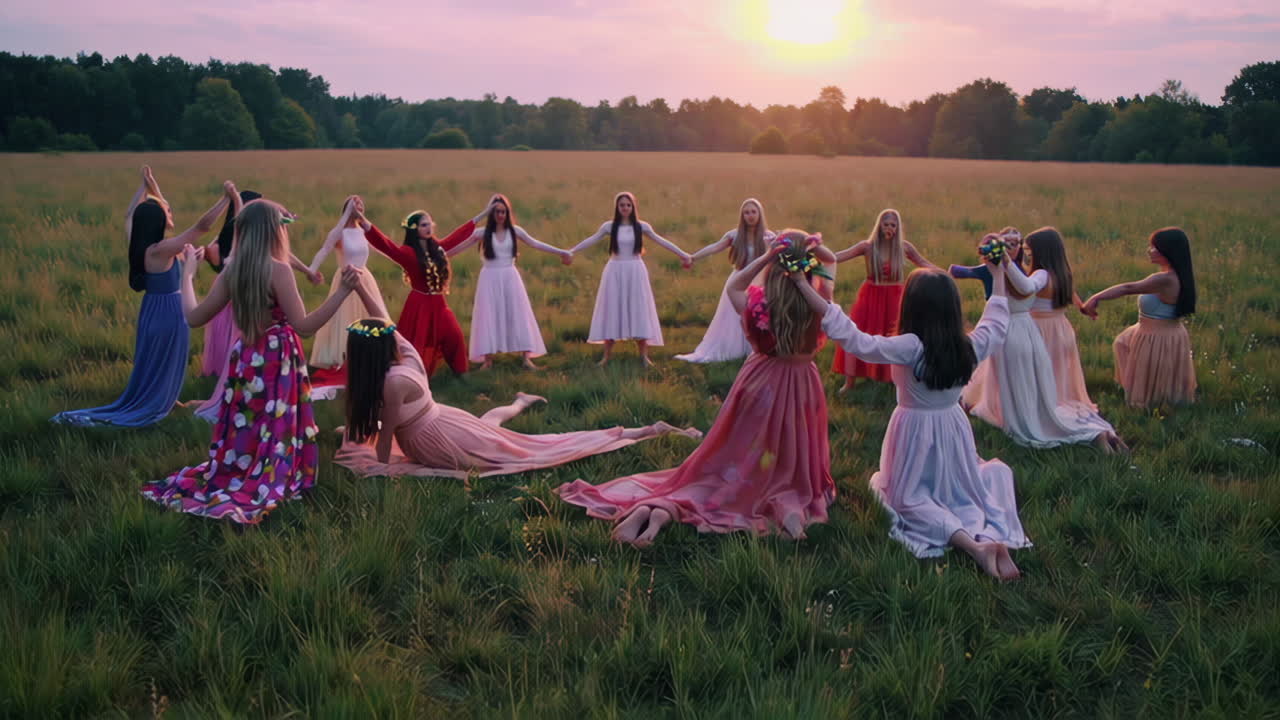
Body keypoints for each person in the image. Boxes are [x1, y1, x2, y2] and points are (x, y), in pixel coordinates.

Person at [557, 232, 837, 546]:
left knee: (741, 448)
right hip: (800, 385)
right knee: (788, 448)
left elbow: (734, 285)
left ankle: (652, 511)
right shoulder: (819, 303)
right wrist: (806, 248)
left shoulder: (758, 303)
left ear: (772, 270)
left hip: (760, 383)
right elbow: (831, 260)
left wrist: (768, 255)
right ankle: (783, 500)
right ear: (808, 268)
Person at [140, 196, 374, 523]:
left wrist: (188, 276)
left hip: (246, 357)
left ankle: (240, 468)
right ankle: (270, 472)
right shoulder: (278, 270)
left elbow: (194, 317)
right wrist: (342, 291)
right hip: (278, 357)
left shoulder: (232, 270)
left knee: (246, 420)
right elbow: (305, 327)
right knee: (274, 422)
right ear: (274, 232)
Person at [793, 258, 1028, 580]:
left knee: (908, 500)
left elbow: (854, 339)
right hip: (953, 426)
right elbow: (997, 318)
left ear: (911, 307)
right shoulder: (969, 344)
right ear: (952, 308)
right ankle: (983, 537)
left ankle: (974, 547)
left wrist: (803, 284)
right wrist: (998, 273)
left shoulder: (909, 346)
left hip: (914, 430)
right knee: (956, 488)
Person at [333, 296, 700, 479]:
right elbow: (386, 322)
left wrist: (378, 467)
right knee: (493, 431)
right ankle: (520, 401)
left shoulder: (393, 382)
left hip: (441, 438)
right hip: (448, 421)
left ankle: (648, 430)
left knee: (531, 452)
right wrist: (362, 288)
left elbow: (387, 440)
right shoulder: (407, 355)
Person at [52, 167, 230, 427]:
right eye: (166, 212)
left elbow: (130, 216)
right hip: (170, 311)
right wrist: (226, 198)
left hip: (154, 310)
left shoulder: (144, 246)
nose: (171, 213)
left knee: (154, 360)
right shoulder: (162, 249)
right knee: (165, 359)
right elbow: (202, 227)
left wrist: (148, 189)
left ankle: (164, 399)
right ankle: (158, 403)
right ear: (158, 222)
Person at [966, 228, 1127, 453]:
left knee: (1028, 390)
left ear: (1041, 251)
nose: (1027, 255)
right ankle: (1096, 434)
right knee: (1045, 382)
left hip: (1029, 330)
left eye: (1029, 250)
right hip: (1050, 330)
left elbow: (1025, 287)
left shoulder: (1040, 274)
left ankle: (1088, 434)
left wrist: (1005, 263)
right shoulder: (1060, 272)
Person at [357, 198, 495, 376]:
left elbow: (456, 237)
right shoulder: (407, 253)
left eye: (430, 224)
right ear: (414, 229)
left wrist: (484, 214)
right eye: (423, 225)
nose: (428, 228)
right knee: (417, 344)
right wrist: (362, 219)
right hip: (420, 304)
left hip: (439, 303)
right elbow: (385, 244)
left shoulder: (436, 248)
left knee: (454, 336)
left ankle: (461, 373)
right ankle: (413, 375)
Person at [444, 194, 572, 370]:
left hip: (510, 278)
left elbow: (536, 244)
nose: (500, 215)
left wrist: (561, 252)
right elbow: (455, 249)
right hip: (489, 278)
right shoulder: (481, 233)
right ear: (491, 213)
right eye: (496, 211)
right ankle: (488, 360)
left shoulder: (515, 231)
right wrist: (435, 256)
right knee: (488, 315)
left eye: (503, 212)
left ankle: (526, 358)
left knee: (518, 313)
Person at [569, 191, 693, 366]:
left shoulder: (642, 226)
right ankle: (606, 356)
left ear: (633, 207)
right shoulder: (609, 226)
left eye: (628, 205)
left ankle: (643, 355)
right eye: (622, 205)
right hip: (615, 270)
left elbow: (662, 241)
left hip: (635, 271)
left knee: (639, 309)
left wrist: (682, 254)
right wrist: (571, 251)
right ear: (617, 207)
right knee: (611, 309)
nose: (625, 208)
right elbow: (591, 240)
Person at [1082, 227, 1197, 408]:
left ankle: (1151, 407)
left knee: (1152, 373)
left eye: (1154, 248)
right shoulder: (1179, 274)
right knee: (1122, 342)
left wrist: (1096, 297)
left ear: (1168, 251)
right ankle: (1154, 399)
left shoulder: (1165, 279)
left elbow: (1128, 288)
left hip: (1157, 335)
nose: (1149, 251)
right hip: (1165, 330)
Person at [831, 209, 936, 391]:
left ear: (898, 228)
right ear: (879, 225)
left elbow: (923, 263)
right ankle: (850, 382)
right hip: (871, 294)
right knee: (858, 331)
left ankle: (895, 378)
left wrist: (944, 273)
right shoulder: (867, 247)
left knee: (896, 334)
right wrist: (814, 253)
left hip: (895, 296)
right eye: (886, 224)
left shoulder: (904, 247)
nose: (889, 228)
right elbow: (837, 257)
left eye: (893, 225)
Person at [675, 198, 775, 363]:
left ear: (759, 214)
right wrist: (693, 257)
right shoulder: (735, 235)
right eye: (746, 212)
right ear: (742, 215)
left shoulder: (768, 236)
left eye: (753, 212)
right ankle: (734, 350)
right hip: (738, 282)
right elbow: (714, 247)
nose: (750, 216)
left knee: (758, 316)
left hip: (759, 282)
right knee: (735, 317)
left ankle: (756, 349)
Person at [307, 195, 382, 369]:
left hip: (364, 278)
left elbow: (378, 240)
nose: (360, 207)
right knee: (344, 320)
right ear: (348, 208)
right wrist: (311, 270)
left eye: (362, 205)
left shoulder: (364, 230)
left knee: (370, 316)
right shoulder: (340, 232)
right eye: (356, 205)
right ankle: (343, 356)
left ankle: (369, 355)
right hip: (346, 279)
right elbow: (324, 250)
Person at [949, 227, 1023, 300]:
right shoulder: (988, 269)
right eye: (1005, 243)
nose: (1008, 248)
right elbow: (955, 271)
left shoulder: (1023, 268)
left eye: (1013, 244)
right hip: (995, 309)